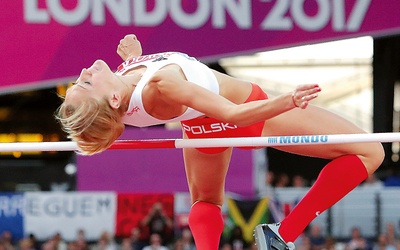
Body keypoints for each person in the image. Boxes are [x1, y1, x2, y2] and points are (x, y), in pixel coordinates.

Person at [56, 34, 385, 250]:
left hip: (201, 130)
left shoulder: (123, 88)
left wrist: (134, 58)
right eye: (86, 82)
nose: (85, 70)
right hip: (247, 111)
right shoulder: (160, 87)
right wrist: (286, 100)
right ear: (113, 98)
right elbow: (234, 113)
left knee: (207, 202)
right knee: (371, 151)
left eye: (80, 79)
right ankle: (281, 236)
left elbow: (125, 92)